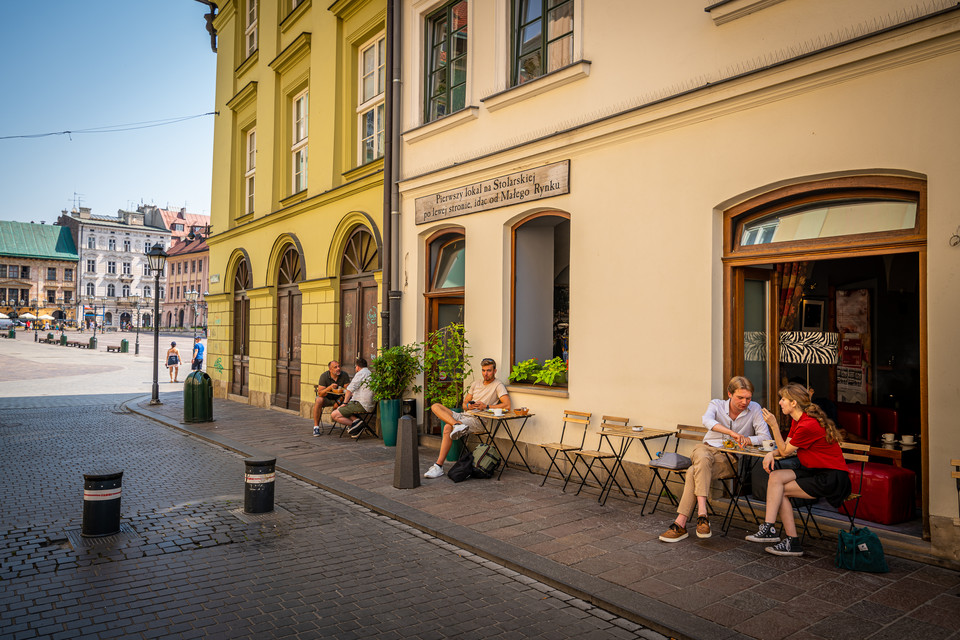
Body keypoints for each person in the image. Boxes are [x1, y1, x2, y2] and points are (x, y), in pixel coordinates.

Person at [659, 376, 772, 542]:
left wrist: (749, 439)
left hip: (728, 458)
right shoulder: (716, 404)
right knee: (702, 457)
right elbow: (707, 420)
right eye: (740, 397)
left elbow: (765, 436)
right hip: (706, 448)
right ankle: (702, 514)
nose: (744, 402)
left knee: (692, 471)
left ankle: (682, 523)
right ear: (729, 394)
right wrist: (731, 433)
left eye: (748, 398)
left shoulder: (754, 408)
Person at [745, 382, 851, 557]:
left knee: (782, 491)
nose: (780, 402)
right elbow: (786, 446)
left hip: (832, 477)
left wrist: (773, 426)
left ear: (794, 403)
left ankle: (791, 541)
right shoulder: (798, 421)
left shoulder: (807, 425)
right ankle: (769, 528)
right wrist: (772, 453)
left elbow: (785, 451)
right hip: (815, 471)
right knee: (776, 477)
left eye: (783, 399)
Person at [423, 358, 511, 479]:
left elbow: (507, 405)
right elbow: (464, 404)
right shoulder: (476, 383)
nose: (486, 373)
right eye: (484, 370)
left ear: (494, 371)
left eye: (489, 371)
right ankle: (457, 425)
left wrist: (485, 406)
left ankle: (438, 466)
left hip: (479, 420)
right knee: (435, 406)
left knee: (448, 427)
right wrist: (469, 405)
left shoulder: (498, 385)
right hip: (465, 416)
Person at [331, 358, 375, 438]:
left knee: (334, 414)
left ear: (357, 367)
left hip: (361, 404)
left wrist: (344, 403)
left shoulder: (360, 373)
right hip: (370, 405)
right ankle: (356, 422)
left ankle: (357, 425)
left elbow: (349, 390)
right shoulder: (370, 373)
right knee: (344, 407)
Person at [312, 360, 351, 437]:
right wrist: (329, 388)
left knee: (350, 400)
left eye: (339, 366)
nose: (338, 368)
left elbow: (348, 391)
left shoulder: (344, 375)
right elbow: (320, 393)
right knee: (319, 400)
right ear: (330, 369)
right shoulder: (324, 376)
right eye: (335, 367)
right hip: (327, 399)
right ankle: (316, 427)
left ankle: (349, 425)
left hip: (340, 399)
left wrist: (339, 401)